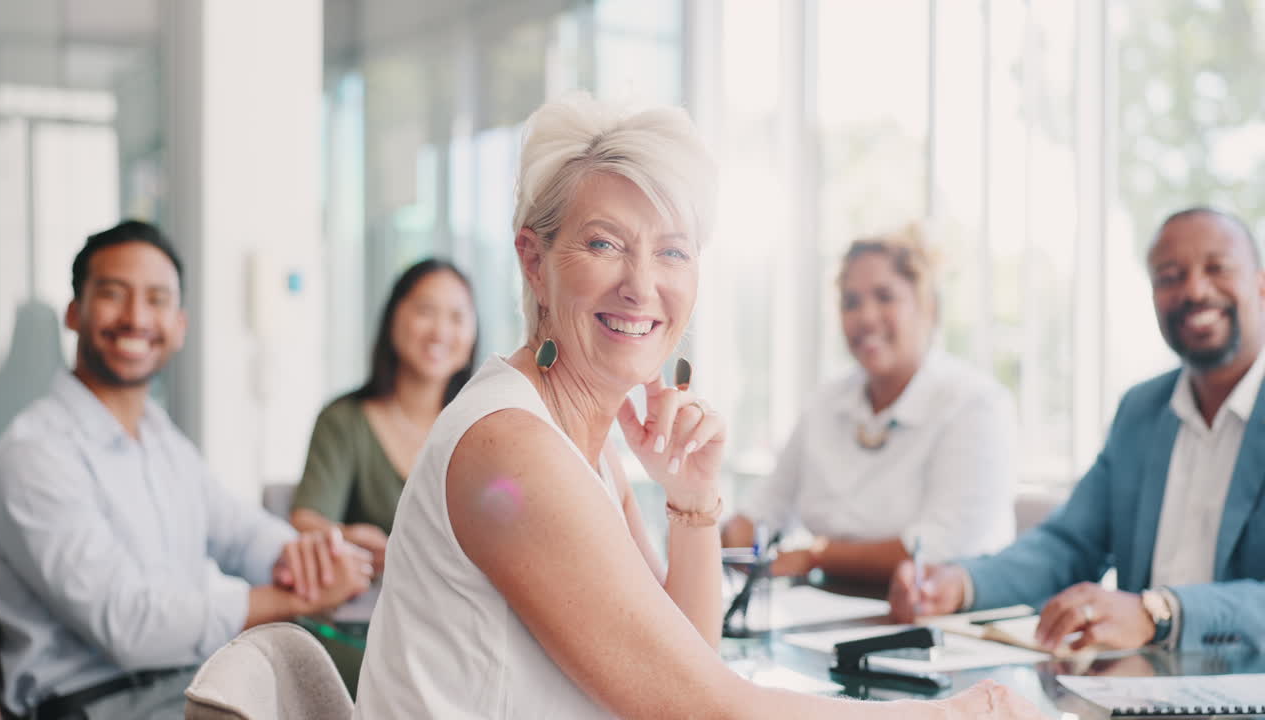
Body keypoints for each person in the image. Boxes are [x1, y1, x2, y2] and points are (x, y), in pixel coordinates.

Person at [352, 94, 1039, 719]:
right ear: (534, 259)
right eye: (604, 243)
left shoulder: (578, 439)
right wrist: (951, 716)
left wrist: (693, 501)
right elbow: (704, 709)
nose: (641, 285)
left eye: (673, 252)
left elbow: (686, 660)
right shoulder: (514, 448)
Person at [0, 221, 371, 719]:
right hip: (94, 704)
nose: (136, 317)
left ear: (180, 325)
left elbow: (239, 531)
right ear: (75, 312)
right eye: (113, 294)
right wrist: (288, 600)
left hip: (183, 685)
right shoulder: (34, 455)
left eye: (157, 299)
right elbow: (131, 626)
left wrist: (306, 559)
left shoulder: (159, 438)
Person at [890, 207, 1265, 656]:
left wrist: (1161, 612)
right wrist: (962, 583)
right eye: (1170, 277)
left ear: (1261, 285)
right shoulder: (1143, 410)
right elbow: (1069, 545)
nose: (1195, 290)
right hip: (1138, 681)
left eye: (1217, 268)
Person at [723, 224, 1016, 582]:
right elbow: (760, 513)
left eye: (885, 296)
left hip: (940, 608)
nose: (865, 317)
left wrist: (817, 556)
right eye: (851, 303)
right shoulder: (825, 403)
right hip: (824, 603)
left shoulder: (975, 404)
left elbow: (940, 547)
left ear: (927, 307)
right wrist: (707, 522)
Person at [288, 258, 476, 693]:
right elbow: (305, 521)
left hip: (460, 627)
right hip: (366, 631)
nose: (440, 331)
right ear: (394, 318)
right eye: (425, 311)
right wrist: (347, 540)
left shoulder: (483, 428)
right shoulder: (345, 420)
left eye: (457, 317)